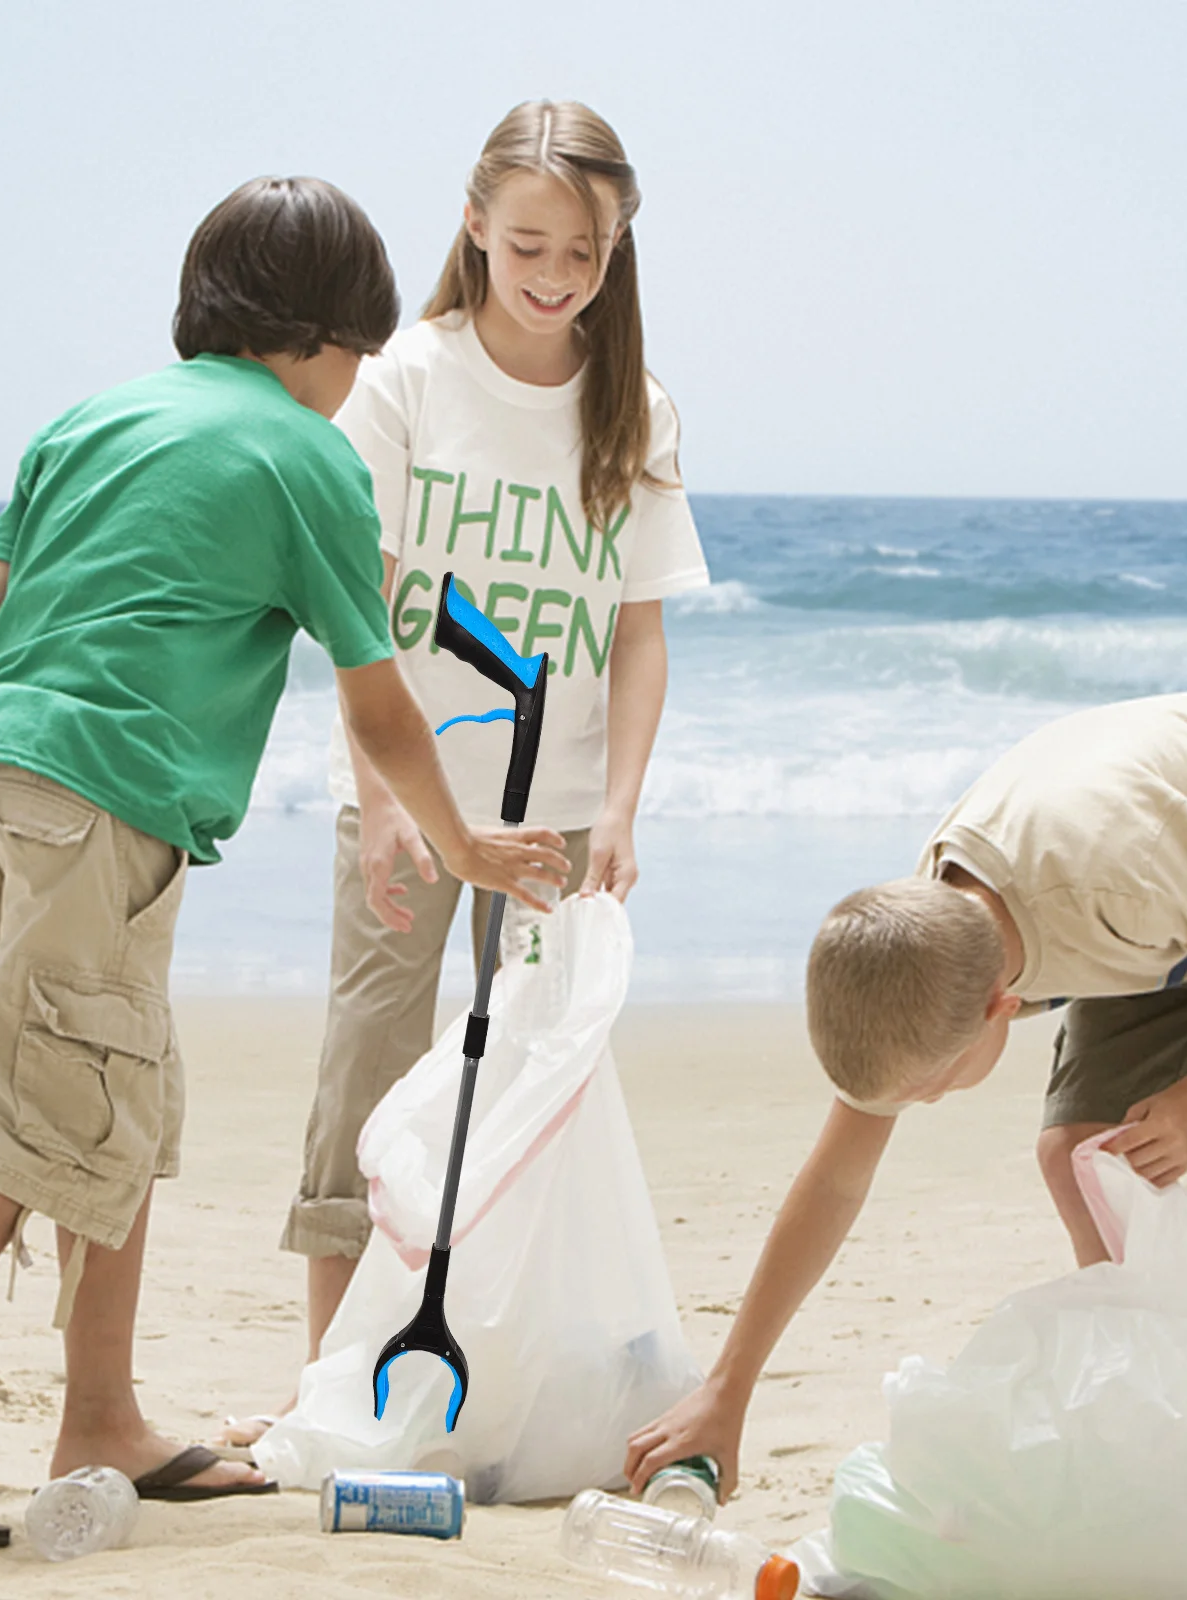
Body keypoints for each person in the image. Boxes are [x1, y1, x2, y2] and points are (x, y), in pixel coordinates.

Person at [0, 175, 568, 1547]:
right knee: (47, 1109)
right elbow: (380, 700)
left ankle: (102, 1417)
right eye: (356, 363)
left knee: (110, 1093)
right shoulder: (306, 456)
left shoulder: (91, 418)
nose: (351, 391)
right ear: (332, 336)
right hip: (101, 805)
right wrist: (465, 847)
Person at [224, 99, 708, 1445]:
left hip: (556, 822)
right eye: (529, 247)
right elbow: (360, 607)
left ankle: (491, 1360)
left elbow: (640, 629)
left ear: (617, 251)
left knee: (532, 1084)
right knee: (371, 1070)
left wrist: (617, 805)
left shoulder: (638, 409)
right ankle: (330, 1376)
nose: (556, 278)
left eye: (585, 255)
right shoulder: (409, 379)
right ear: (476, 228)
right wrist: (385, 802)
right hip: (410, 804)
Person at [624, 691, 1187, 1503]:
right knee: (1082, 1156)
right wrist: (728, 1388)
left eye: (931, 1091)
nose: (923, 1105)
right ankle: (1158, 1400)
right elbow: (836, 1179)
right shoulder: (919, 941)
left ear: (1003, 1008)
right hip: (1183, 914)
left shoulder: (1116, 891)